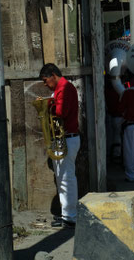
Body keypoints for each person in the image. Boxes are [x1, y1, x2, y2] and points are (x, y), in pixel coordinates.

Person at [40, 64, 80, 228]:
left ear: (53, 75)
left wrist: (48, 105)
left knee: (66, 179)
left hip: (67, 138)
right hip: (66, 138)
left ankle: (70, 217)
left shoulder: (63, 88)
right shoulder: (63, 87)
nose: (45, 84)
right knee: (63, 178)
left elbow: (61, 112)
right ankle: (67, 214)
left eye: (45, 80)